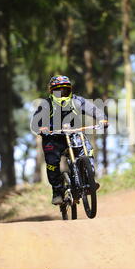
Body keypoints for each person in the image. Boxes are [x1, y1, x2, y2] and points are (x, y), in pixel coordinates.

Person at [30, 75, 109, 205]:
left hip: (73, 134)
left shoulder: (76, 100)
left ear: (69, 90)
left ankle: (87, 179)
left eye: (64, 90)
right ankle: (57, 191)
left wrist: (102, 119)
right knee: (52, 162)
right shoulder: (46, 104)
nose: (61, 94)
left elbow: (93, 109)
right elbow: (35, 122)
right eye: (58, 91)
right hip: (53, 137)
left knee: (87, 150)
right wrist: (41, 128)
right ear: (52, 92)